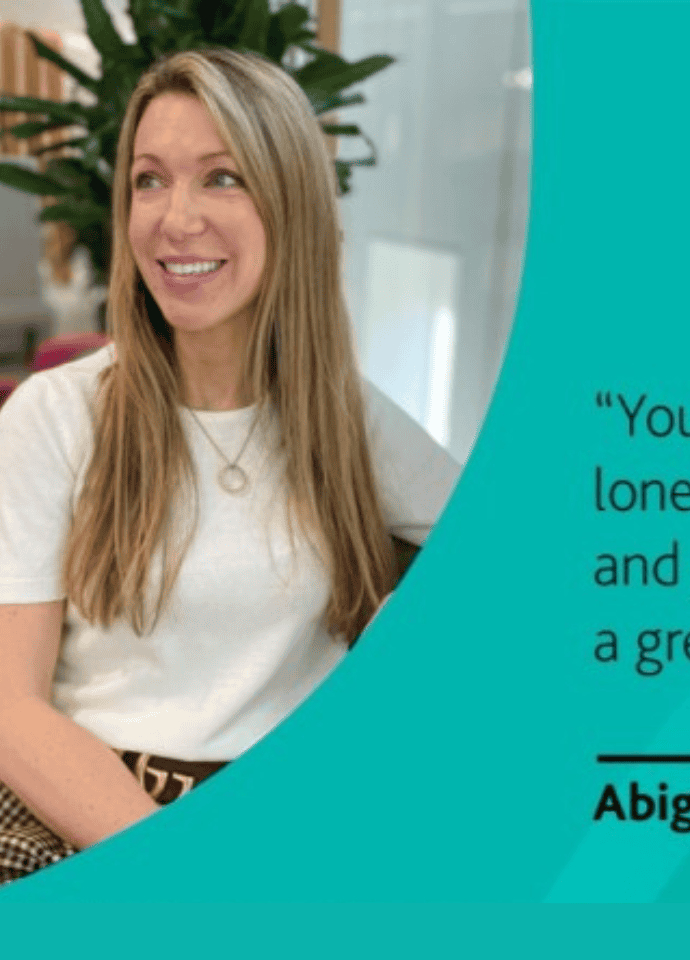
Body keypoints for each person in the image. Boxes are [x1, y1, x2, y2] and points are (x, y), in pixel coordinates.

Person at [0, 49, 459, 883]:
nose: (175, 219)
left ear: (289, 203)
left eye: (221, 178)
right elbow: (11, 709)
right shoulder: (55, 415)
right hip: (87, 819)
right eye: (149, 180)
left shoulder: (348, 418)